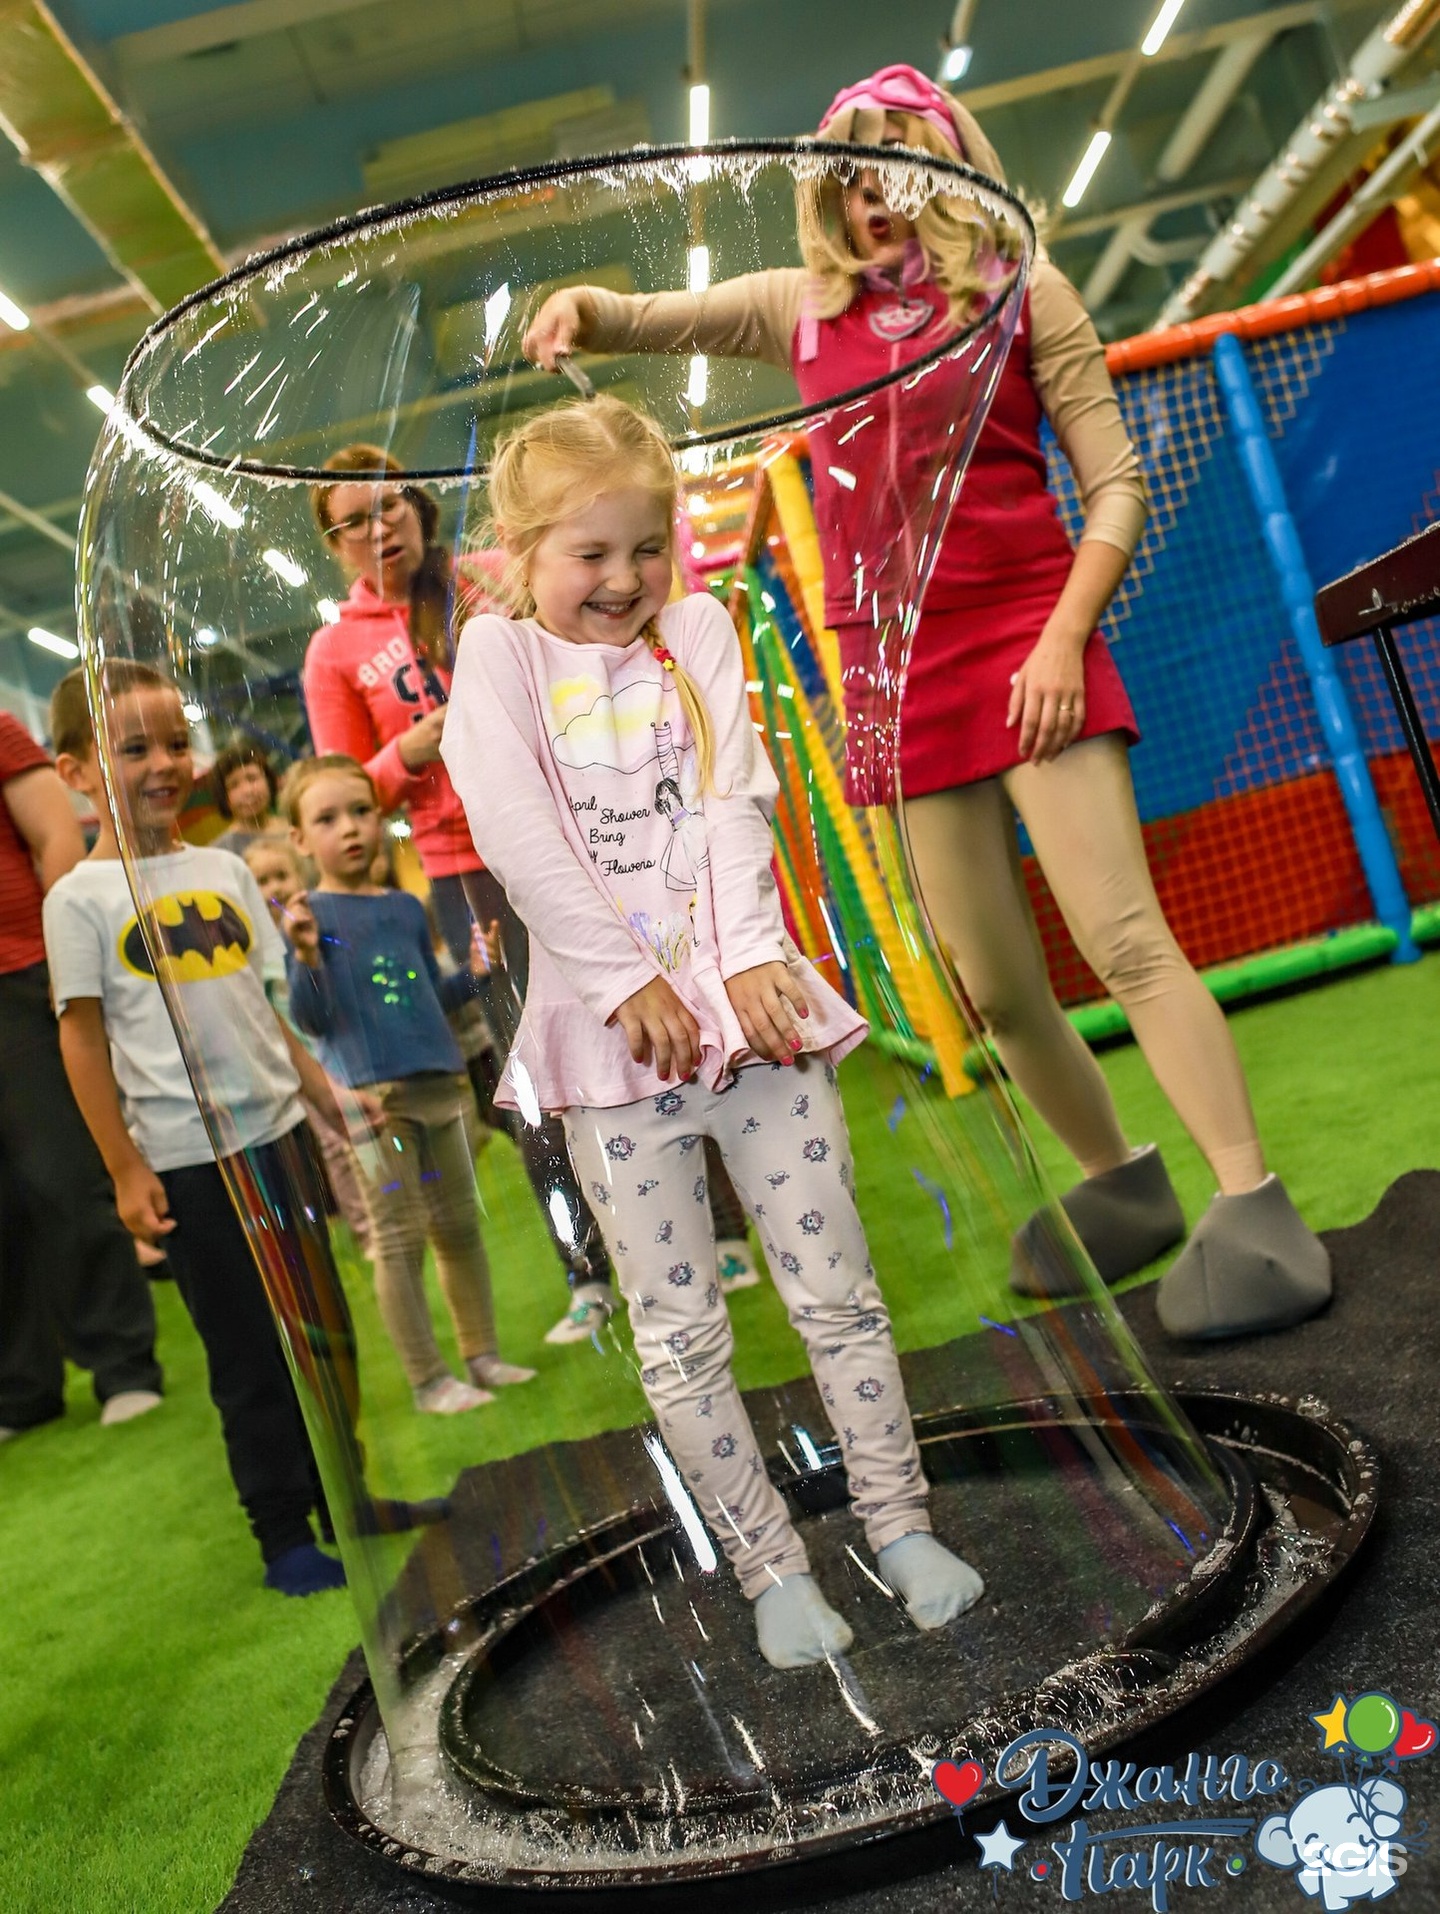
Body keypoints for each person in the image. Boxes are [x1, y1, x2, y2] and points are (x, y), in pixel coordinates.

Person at [521, 65, 1331, 1342]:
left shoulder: (1024, 292)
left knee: (1122, 939)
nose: (877, 193)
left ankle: (1254, 1196)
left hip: (1030, 644)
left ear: (953, 168)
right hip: (896, 677)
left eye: (903, 161)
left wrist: (1066, 638)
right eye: (851, 171)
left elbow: (1114, 481)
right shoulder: (802, 308)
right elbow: (664, 314)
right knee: (996, 986)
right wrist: (589, 307)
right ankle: (1122, 1181)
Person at [441, 394, 982, 1670]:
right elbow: (518, 833)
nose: (626, 580)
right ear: (519, 550)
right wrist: (627, 979)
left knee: (837, 1293)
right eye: (590, 555)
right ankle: (770, 1569)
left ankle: (897, 1525)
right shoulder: (499, 660)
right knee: (682, 1331)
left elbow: (737, 798)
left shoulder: (698, 625)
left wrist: (744, 961)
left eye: (647, 545)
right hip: (610, 1055)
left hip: (759, 1029)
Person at [304, 446, 759, 1338]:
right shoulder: (335, 651)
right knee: (537, 1067)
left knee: (674, 1016)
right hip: (466, 872)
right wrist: (410, 752)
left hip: (599, 832)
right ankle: (587, 1269)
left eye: (392, 502)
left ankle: (724, 1228)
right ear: (335, 543)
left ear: (421, 507)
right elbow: (339, 783)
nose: (380, 524)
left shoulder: (487, 581)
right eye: (354, 517)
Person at [43, 663, 353, 1595]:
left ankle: (348, 1499)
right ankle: (282, 1534)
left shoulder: (223, 869)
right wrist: (126, 1168)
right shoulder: (79, 901)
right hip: (190, 1163)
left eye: (175, 741)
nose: (164, 763)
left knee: (320, 1333)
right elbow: (84, 1042)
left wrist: (321, 1092)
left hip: (281, 1139)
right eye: (133, 748)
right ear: (77, 771)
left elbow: (266, 1004)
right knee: (247, 1352)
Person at [280, 753, 535, 1413]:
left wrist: (477, 973)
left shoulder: (401, 906)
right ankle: (427, 1380)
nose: (351, 828)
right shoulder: (309, 916)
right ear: (301, 840)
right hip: (375, 1104)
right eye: (328, 818)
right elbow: (309, 1019)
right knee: (397, 1240)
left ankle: (481, 1356)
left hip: (441, 1085)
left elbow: (429, 995)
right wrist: (306, 956)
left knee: (458, 1228)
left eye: (361, 811)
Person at [0, 710, 163, 1443]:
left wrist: (63, 952)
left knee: (61, 1176)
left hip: (19, 973)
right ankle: (20, 1390)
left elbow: (54, 836)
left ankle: (122, 1365)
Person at [243, 835, 373, 1251]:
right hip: (298, 1064)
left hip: (336, 1051)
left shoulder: (309, 929)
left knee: (362, 1133)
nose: (274, 888)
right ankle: (365, 1226)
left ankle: (389, 1208)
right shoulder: (256, 947)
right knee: (335, 1148)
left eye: (281, 876)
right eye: (261, 881)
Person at [210, 738, 289, 857]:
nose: (247, 791)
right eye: (234, 785)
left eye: (252, 778)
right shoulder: (220, 853)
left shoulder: (296, 830)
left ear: (268, 781)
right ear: (223, 796)